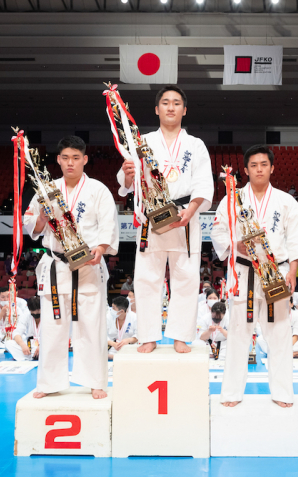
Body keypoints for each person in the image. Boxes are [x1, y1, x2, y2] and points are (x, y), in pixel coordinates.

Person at [117, 85, 214, 355]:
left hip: (185, 217)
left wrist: (191, 210)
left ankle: (181, 336)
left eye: (176, 103)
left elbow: (204, 185)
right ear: (156, 109)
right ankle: (148, 336)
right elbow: (126, 184)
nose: (171, 107)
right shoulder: (142, 143)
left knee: (186, 277)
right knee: (147, 278)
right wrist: (127, 174)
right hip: (152, 219)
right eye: (165, 102)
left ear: (184, 110)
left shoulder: (195, 145)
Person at [212, 144, 298, 408]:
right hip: (244, 273)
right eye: (253, 165)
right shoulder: (232, 199)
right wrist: (236, 244)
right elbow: (218, 233)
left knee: (279, 333)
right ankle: (231, 393)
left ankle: (282, 393)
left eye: (263, 165)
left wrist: (292, 270)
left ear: (272, 168)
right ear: (245, 170)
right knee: (238, 333)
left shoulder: (286, 202)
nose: (258, 169)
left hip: (276, 272)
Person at [24, 134, 119, 400]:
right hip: (56, 266)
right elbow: (31, 225)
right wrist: (41, 217)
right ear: (58, 160)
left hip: (88, 266)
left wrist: (100, 249)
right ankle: (48, 382)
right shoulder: (46, 190)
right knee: (53, 327)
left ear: (85, 160)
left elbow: (108, 226)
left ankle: (96, 381)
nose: (70, 163)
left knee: (91, 326)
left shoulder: (98, 190)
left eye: (76, 158)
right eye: (65, 158)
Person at [5, 296, 41, 361]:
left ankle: (29, 356)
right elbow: (17, 333)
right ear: (29, 308)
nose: (36, 314)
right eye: (33, 312)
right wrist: (23, 345)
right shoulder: (26, 315)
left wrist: (41, 346)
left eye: (38, 312)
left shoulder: (48, 315)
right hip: (31, 344)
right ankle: (34, 355)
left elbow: (52, 335)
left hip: (45, 343)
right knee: (8, 343)